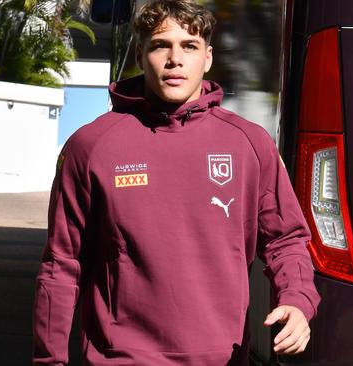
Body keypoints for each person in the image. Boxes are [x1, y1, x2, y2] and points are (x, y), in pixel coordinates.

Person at [33, 1, 320, 364]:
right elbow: (62, 263)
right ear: (141, 54)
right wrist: (49, 359)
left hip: (223, 359)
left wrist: (298, 300)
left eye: (189, 46)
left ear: (208, 57)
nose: (175, 59)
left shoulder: (249, 144)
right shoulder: (91, 146)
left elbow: (287, 239)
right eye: (160, 45)